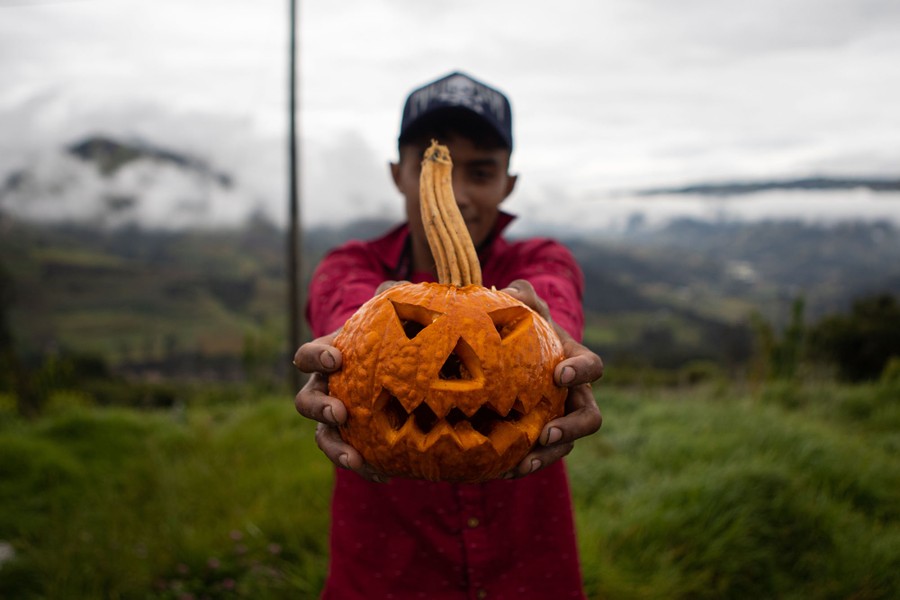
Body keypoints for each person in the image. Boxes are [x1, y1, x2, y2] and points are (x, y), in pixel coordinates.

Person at [293, 71, 604, 600]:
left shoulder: (539, 260)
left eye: (481, 172)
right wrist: (360, 330)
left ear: (509, 184)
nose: (457, 196)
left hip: (528, 573)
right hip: (387, 573)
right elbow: (343, 306)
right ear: (399, 174)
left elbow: (553, 301)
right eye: (435, 170)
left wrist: (550, 337)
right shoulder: (351, 265)